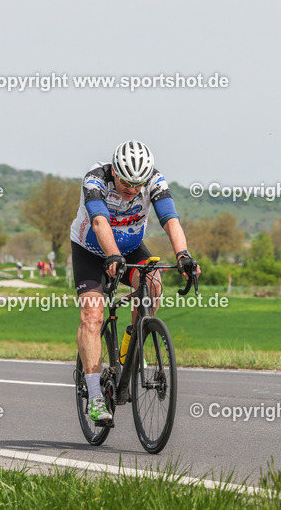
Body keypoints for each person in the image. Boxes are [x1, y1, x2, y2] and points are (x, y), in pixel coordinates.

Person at [71, 140, 199, 422]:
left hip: (129, 249)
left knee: (153, 284)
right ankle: (95, 396)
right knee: (92, 315)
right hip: (90, 251)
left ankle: (132, 343)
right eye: (126, 182)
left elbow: (170, 219)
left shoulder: (154, 180)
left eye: (138, 184)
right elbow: (99, 222)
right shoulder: (95, 179)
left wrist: (183, 255)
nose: (132, 189)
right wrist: (112, 255)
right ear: (114, 171)